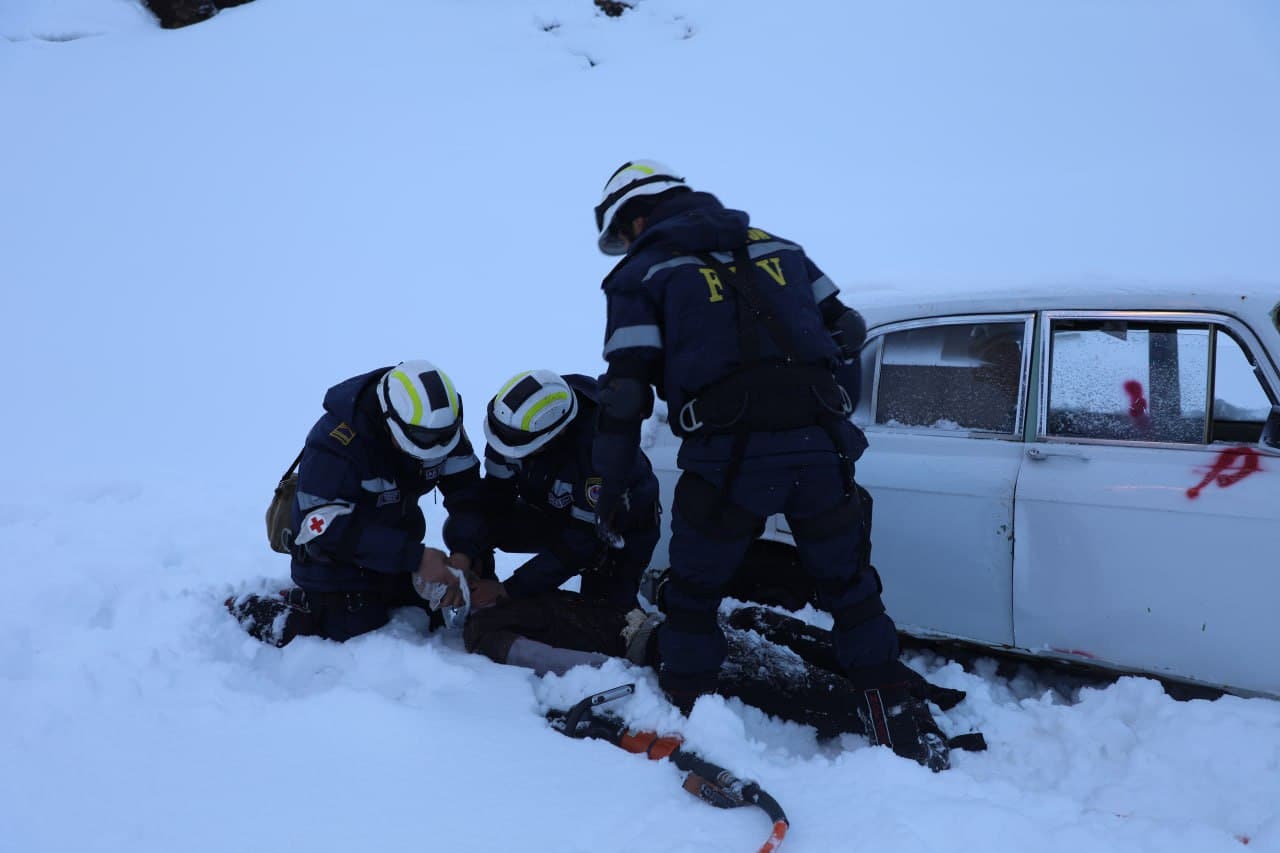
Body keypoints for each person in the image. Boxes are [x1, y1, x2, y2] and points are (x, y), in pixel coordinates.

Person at [587, 159, 949, 768]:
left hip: (727, 462)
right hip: (820, 447)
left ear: (637, 216)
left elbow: (625, 396)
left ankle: (688, 721)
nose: (625, 245)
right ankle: (895, 723)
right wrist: (827, 404)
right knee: (851, 591)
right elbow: (849, 326)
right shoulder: (781, 247)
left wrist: (610, 484)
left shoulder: (642, 272)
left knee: (694, 597)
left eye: (622, 234)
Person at [227, 360, 500, 645]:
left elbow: (468, 498)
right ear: (390, 419)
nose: (433, 449)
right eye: (423, 440)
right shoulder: (335, 444)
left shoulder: (441, 429)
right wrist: (415, 557)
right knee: (353, 632)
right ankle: (260, 608)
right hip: (334, 561)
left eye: (442, 439)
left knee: (427, 619)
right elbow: (323, 528)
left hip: (395, 550)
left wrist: (463, 555)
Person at [443, 370, 660, 609]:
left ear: (556, 433)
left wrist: (509, 589)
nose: (505, 449)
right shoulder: (508, 428)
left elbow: (582, 543)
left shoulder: (600, 455)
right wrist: (466, 554)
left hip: (616, 532)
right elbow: (495, 499)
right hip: (555, 513)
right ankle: (478, 597)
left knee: (602, 615)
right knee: (470, 526)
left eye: (518, 446)